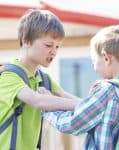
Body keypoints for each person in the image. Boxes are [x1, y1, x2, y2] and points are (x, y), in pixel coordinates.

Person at [42, 25, 119, 150]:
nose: (95, 68)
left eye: (94, 61)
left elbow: (73, 123)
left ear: (106, 58)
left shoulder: (108, 91)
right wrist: (62, 94)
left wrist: (47, 109)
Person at [0, 9, 81, 150]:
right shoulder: (8, 75)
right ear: (26, 40)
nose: (54, 51)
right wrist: (80, 105)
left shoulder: (43, 79)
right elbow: (37, 100)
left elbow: (66, 97)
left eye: (57, 47)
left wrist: (94, 105)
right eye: (48, 45)